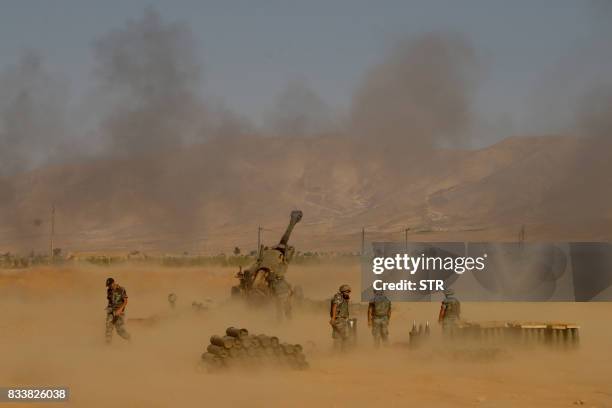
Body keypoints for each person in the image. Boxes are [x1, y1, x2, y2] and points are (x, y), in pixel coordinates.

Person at [105, 277, 130, 343]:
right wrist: (108, 308)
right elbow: (110, 300)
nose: (109, 287)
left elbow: (125, 301)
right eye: (108, 286)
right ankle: (107, 344)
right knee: (108, 326)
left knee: (120, 331)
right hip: (111, 311)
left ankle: (129, 338)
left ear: (113, 283)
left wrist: (120, 310)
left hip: (120, 312)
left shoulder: (121, 289)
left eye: (110, 285)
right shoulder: (109, 290)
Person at [330, 284, 351, 351]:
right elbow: (334, 307)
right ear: (343, 291)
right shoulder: (338, 297)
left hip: (341, 319)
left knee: (337, 337)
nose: (348, 293)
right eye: (347, 291)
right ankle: (343, 352)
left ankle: (336, 352)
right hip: (339, 319)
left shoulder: (344, 298)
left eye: (349, 292)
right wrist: (333, 318)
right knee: (345, 336)